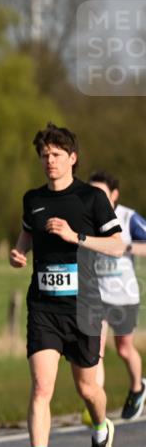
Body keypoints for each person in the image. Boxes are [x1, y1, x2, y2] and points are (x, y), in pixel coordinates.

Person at [10, 123, 123, 447]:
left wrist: (76, 237)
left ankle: (101, 429)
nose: (50, 161)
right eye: (44, 155)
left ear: (72, 158)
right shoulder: (32, 199)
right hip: (44, 306)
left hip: (85, 306)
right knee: (42, 385)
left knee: (88, 388)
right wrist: (19, 251)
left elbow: (117, 246)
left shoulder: (91, 199)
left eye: (57, 155)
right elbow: (27, 231)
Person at [86, 171, 146, 420]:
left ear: (114, 195)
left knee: (124, 349)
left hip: (124, 296)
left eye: (100, 193)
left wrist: (126, 247)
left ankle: (137, 388)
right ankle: (94, 400)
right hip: (96, 297)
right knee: (95, 350)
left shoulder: (128, 217)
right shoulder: (86, 217)